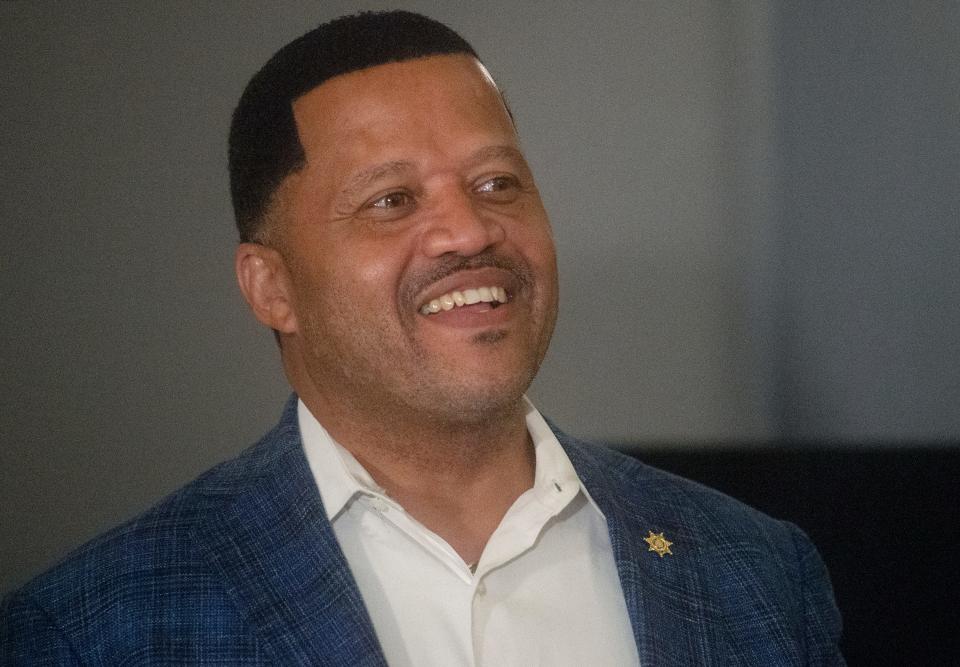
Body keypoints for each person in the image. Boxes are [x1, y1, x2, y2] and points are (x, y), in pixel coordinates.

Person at [0, 10, 844, 665]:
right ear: (273, 287)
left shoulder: (756, 571)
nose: (468, 231)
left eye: (496, 181)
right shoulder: (95, 627)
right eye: (392, 200)